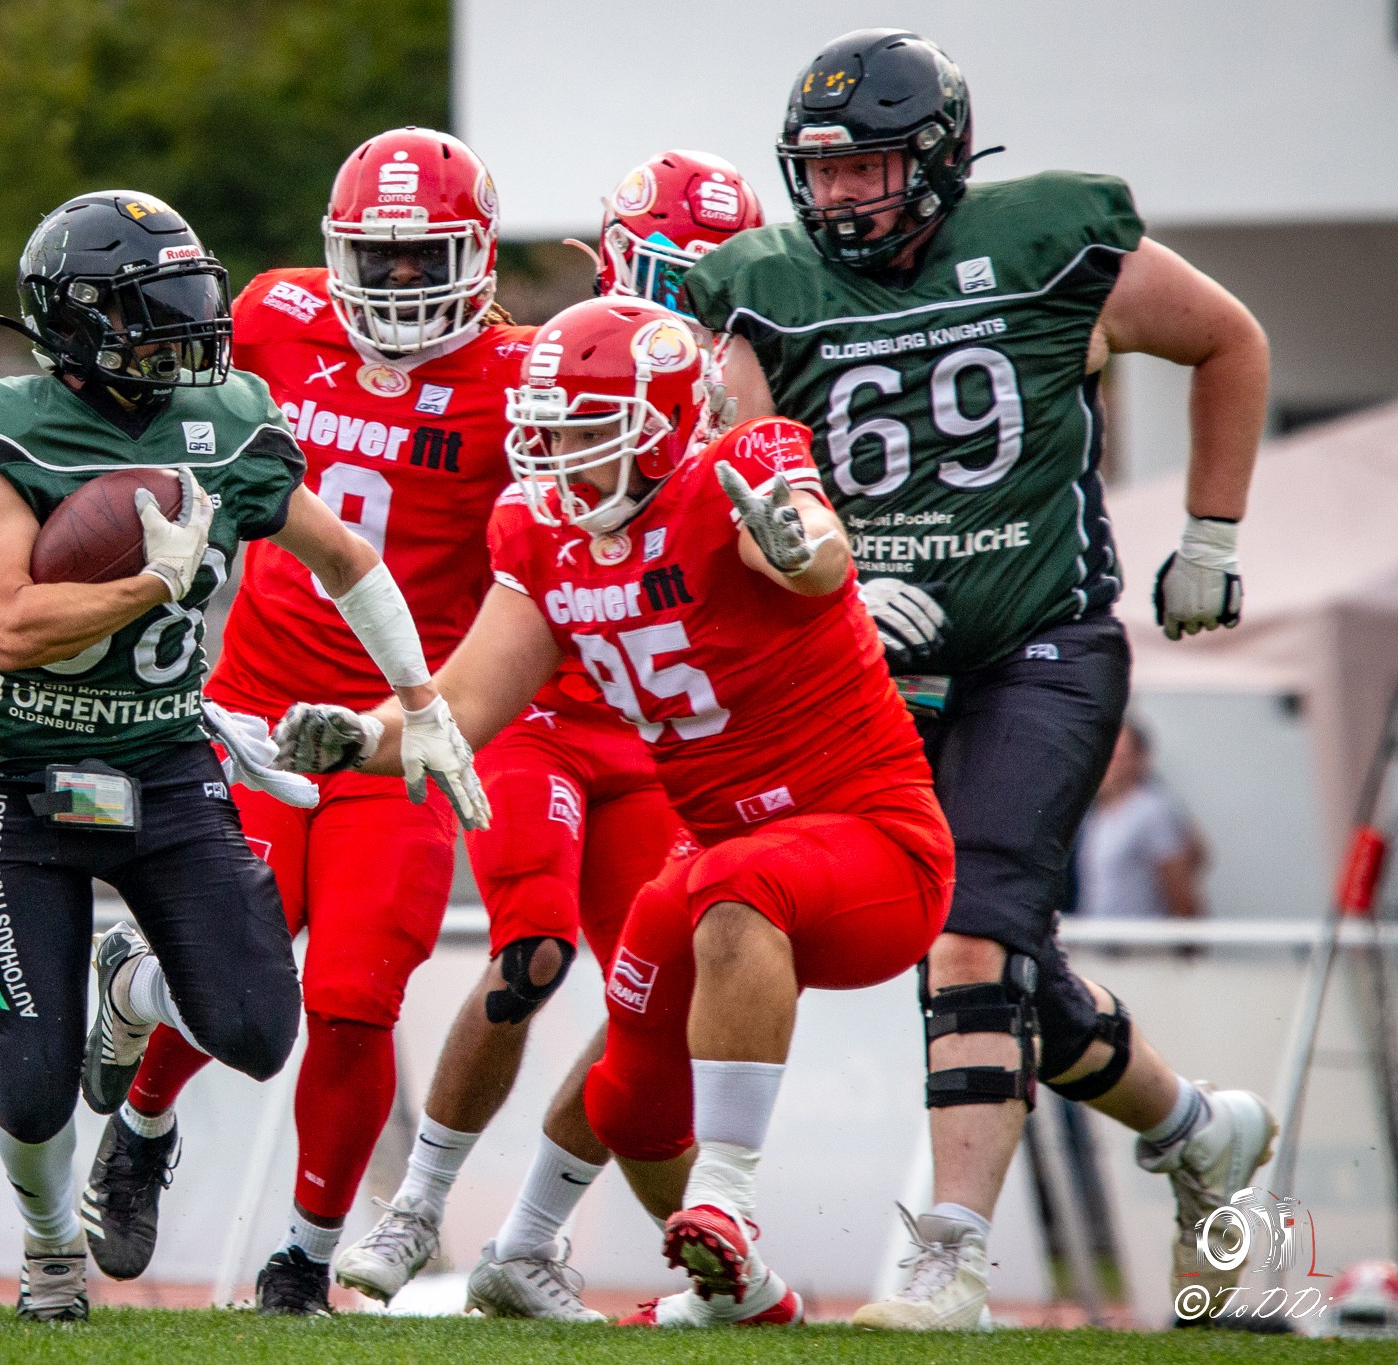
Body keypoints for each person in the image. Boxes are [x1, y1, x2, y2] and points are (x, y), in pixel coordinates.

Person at [681, 28, 1276, 1328]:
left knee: (970, 936)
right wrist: (824, 580)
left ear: (940, 158)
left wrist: (1211, 537)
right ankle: (1192, 1128)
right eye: (820, 172)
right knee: (991, 960)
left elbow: (1229, 339)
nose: (841, 196)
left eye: (867, 167)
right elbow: (739, 488)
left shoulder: (1049, 241)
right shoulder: (761, 292)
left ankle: (947, 1258)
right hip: (873, 670)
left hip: (1037, 643)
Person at [275, 296, 956, 1328]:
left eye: (587, 429)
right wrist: (358, 736)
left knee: (731, 886)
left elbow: (811, 547)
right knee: (629, 1087)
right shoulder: (540, 533)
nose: (559, 456)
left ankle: (726, 1200)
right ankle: (728, 1299)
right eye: (547, 432)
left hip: (872, 836)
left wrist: (797, 544)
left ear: (665, 423)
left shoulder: (739, 466)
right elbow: (462, 703)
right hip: (722, 851)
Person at [0, 189, 482, 1323]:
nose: (182, 330)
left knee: (258, 1029)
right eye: (148, 310)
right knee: (33, 1073)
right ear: (73, 319)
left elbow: (347, 559)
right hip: (16, 770)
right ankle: (50, 1253)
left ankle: (135, 985)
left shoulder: (228, 420)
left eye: (186, 301)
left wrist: (421, 703)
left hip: (161, 757)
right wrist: (152, 584)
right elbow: (10, 624)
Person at [73, 128, 527, 1317]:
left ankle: (302, 1261)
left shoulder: (520, 378)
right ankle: (142, 1124)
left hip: (397, 734)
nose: (397, 281)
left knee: (354, 996)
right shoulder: (274, 316)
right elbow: (139, 403)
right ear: (336, 251)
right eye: (376, 257)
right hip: (254, 717)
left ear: (476, 255)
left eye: (423, 255)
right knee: (231, 961)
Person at [331, 149, 765, 1322]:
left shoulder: (751, 397)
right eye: (669, 274)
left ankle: (524, 1242)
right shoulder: (556, 366)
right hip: (536, 709)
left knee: (651, 1001)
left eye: (712, 280)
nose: (687, 306)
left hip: (654, 731)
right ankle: (416, 1208)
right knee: (532, 950)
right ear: (612, 257)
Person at [1077, 721, 1207, 921]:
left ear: (1139, 759)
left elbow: (1181, 892)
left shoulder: (1151, 811)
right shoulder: (1095, 815)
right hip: (1097, 936)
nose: (1109, 766)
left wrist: (1185, 937)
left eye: (1118, 757)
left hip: (1137, 937)